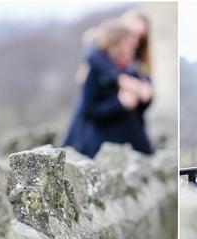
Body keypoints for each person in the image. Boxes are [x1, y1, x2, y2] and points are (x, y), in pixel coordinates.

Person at [62, 19, 154, 158]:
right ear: (118, 43)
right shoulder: (96, 71)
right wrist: (119, 103)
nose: (134, 46)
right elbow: (88, 110)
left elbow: (140, 109)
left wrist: (144, 97)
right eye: (129, 42)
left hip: (134, 143)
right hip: (105, 146)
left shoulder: (133, 70)